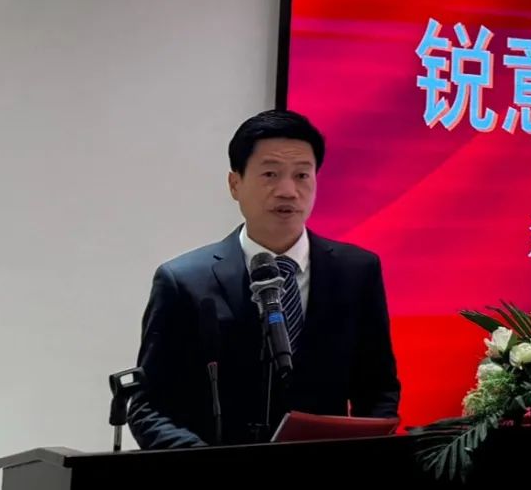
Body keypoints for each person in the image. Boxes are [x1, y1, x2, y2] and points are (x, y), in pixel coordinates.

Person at [127, 109, 401, 449]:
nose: (288, 191)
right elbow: (148, 407)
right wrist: (201, 463)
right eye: (270, 174)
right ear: (235, 184)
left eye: (302, 175)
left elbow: (378, 390)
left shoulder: (357, 272)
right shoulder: (183, 281)